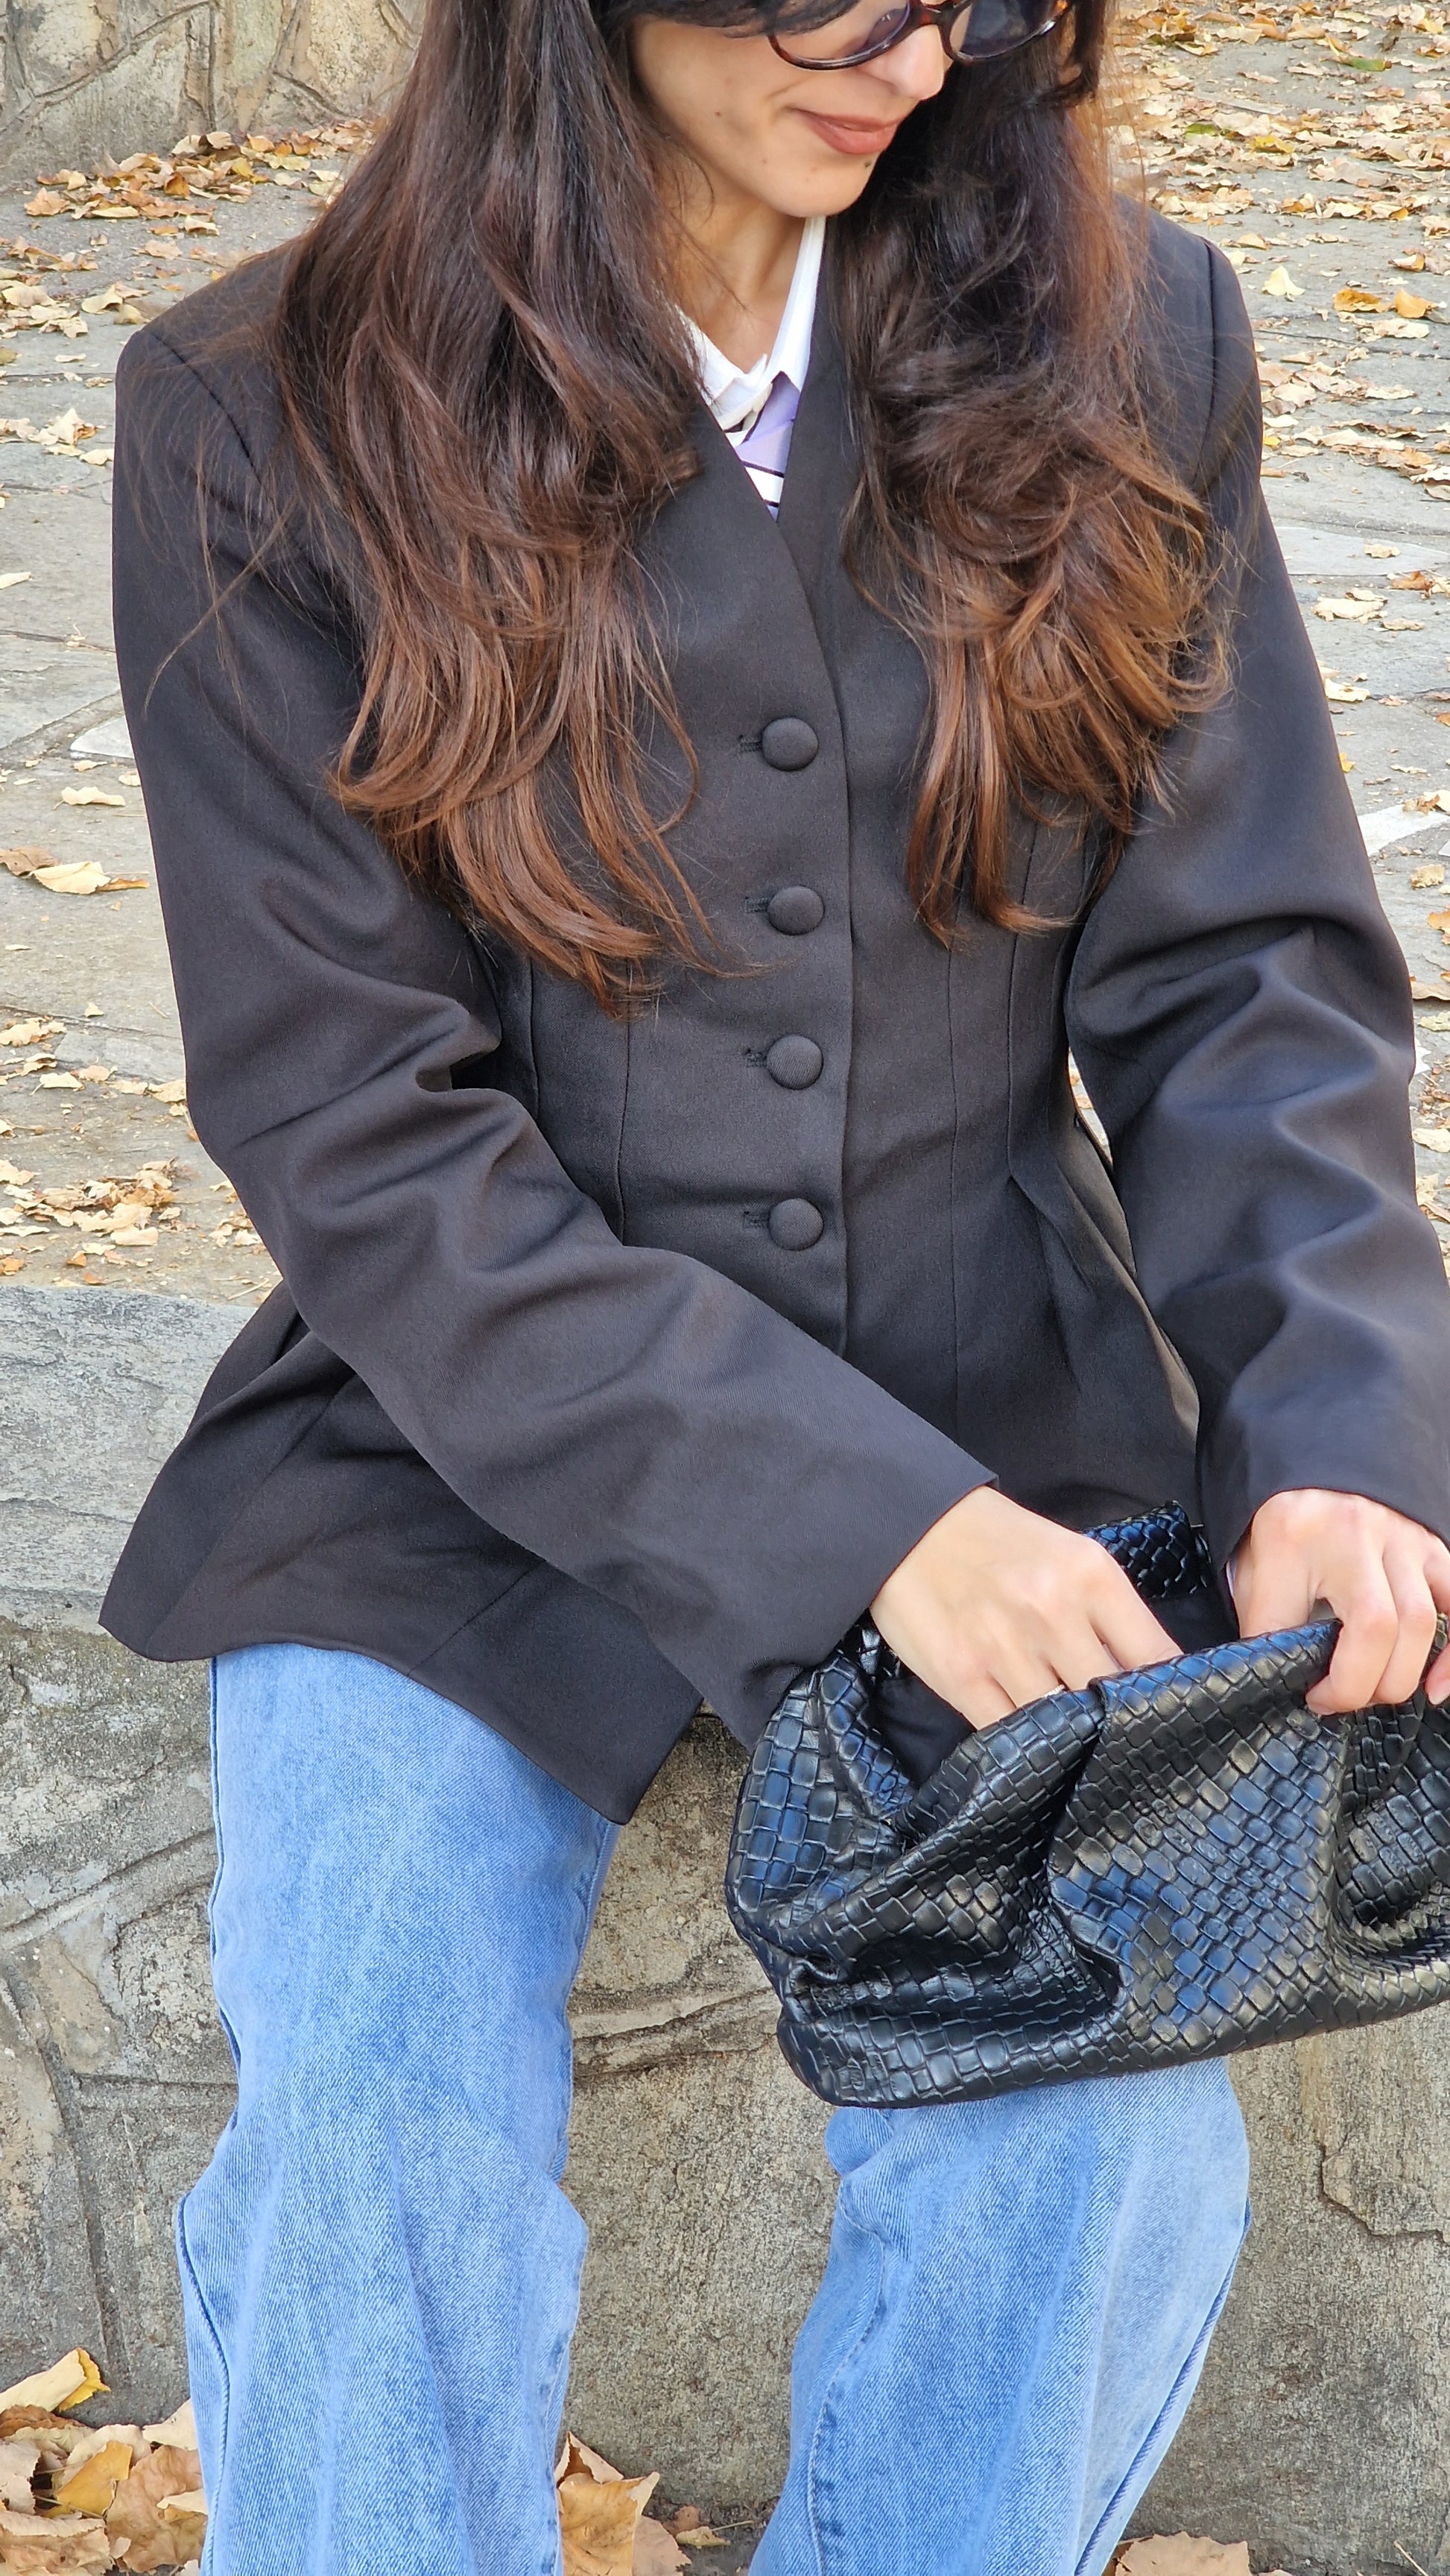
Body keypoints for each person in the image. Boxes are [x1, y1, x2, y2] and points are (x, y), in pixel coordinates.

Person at [103, 0, 1450, 2554]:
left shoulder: (1130, 336)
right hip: (447, 1440)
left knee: (1087, 2155)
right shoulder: (255, 410)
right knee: (370, 2111)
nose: (906, 56)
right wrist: (863, 1532)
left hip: (1005, 1412)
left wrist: (1332, 1429)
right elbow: (354, 1130)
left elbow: (1242, 979)